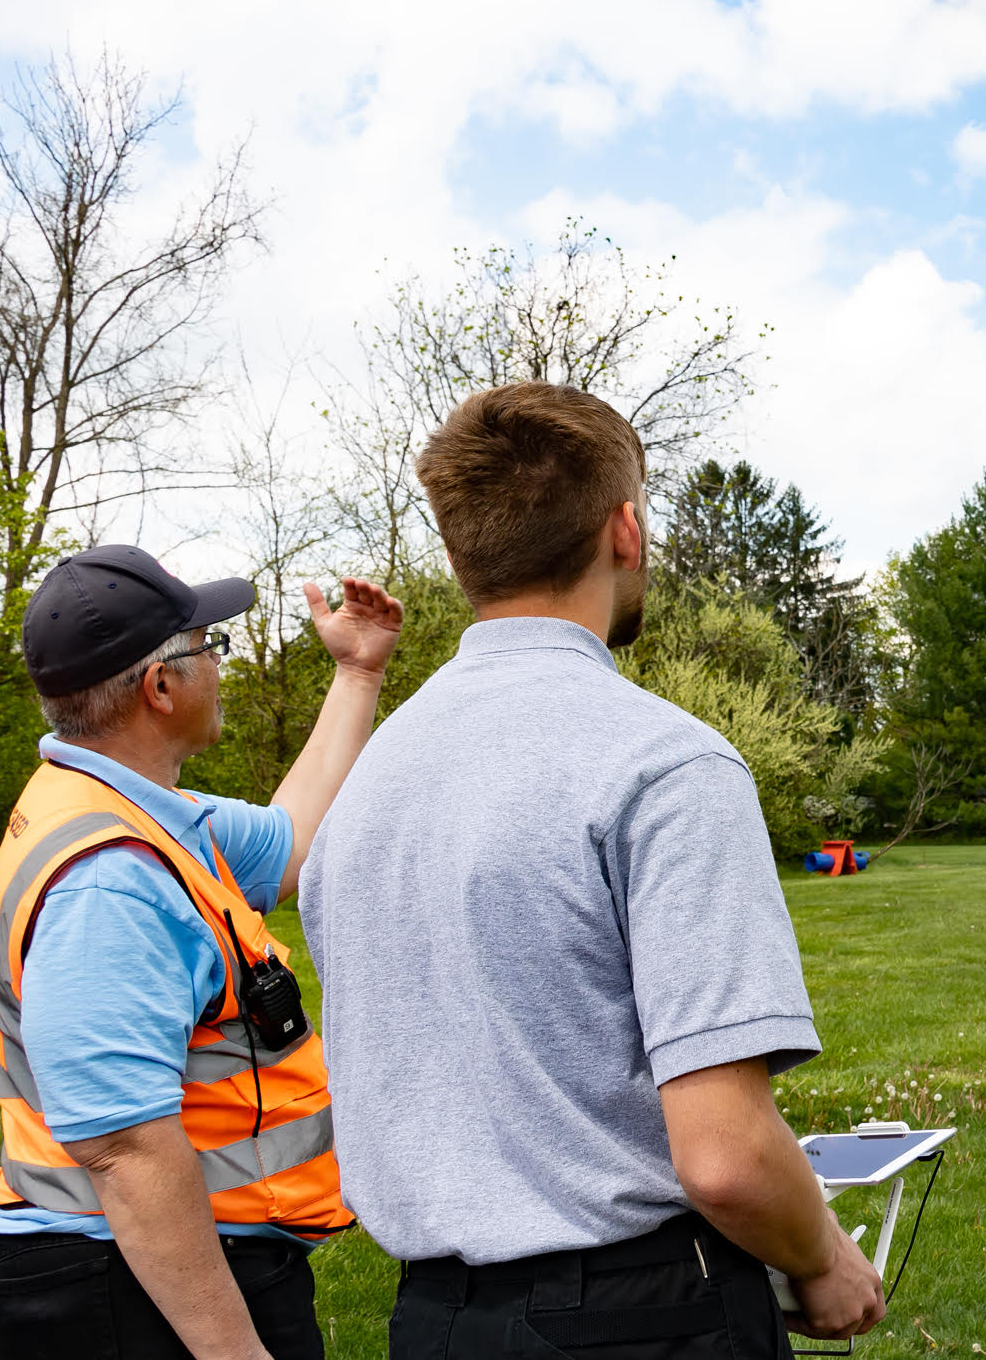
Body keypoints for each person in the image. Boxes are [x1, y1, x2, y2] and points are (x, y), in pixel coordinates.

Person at [299, 382, 886, 1359]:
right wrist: (823, 1256)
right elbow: (727, 1155)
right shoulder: (664, 764)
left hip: (436, 1324)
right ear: (625, 530)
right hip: (645, 1317)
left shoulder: (365, 785)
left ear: (459, 554)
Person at [0, 544, 403, 1360]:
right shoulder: (112, 879)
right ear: (160, 687)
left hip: (143, 1269)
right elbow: (126, 1150)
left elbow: (293, 843)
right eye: (209, 647)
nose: (218, 667)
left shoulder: (141, 812)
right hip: (130, 1286)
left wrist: (357, 674)